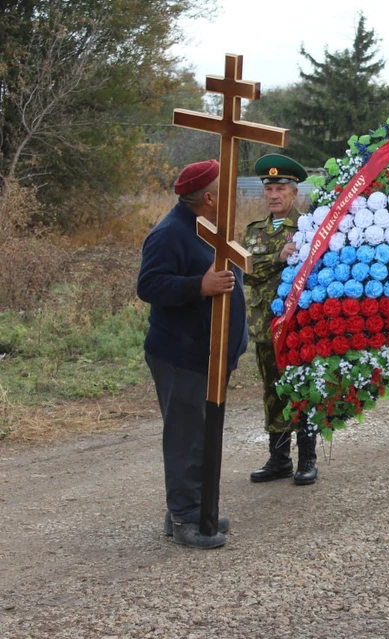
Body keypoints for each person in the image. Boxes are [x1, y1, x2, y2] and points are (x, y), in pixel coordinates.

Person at [136, 160, 247, 549]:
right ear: (209, 198)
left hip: (209, 355)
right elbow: (149, 285)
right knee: (186, 436)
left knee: (202, 432)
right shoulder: (169, 234)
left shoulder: (209, 229)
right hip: (180, 354)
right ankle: (185, 518)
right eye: (225, 187)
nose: (232, 193)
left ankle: (194, 508)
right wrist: (198, 285)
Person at [243, 154, 317, 486]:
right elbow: (245, 271)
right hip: (263, 326)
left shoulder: (311, 226)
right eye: (268, 188)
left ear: (294, 191)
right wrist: (277, 257)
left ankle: (308, 459)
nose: (273, 195)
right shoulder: (254, 231)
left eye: (280, 188)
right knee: (273, 391)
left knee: (302, 388)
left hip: (299, 327)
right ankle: (279, 458)